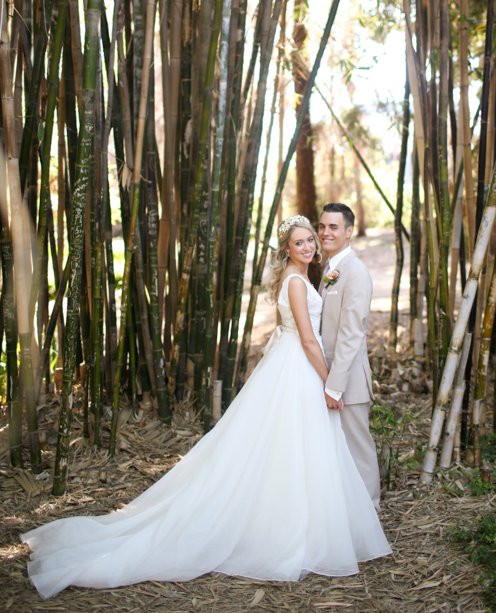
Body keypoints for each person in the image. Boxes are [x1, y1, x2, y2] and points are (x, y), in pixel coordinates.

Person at [22, 214, 391, 599]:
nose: (310, 246)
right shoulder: (298, 282)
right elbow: (309, 341)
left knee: (291, 444)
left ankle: (310, 521)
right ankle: (291, 527)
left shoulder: (309, 276)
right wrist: (331, 381)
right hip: (300, 366)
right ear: (286, 248)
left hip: (293, 366)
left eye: (311, 239)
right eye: (300, 242)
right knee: (292, 442)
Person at [318, 203, 381, 511]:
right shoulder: (332, 269)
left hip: (347, 381)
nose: (325, 232)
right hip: (328, 376)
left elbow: (350, 335)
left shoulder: (355, 273)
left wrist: (334, 385)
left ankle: (370, 513)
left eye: (333, 227)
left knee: (358, 450)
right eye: (322, 226)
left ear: (348, 232)